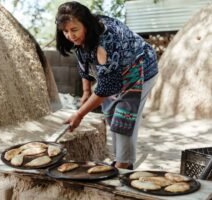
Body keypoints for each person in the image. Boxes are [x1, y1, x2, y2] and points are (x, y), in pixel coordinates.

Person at [55, 1, 158, 169]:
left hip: (140, 68)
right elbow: (84, 62)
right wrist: (87, 91)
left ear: (86, 25)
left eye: (74, 30)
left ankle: (123, 164)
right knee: (110, 114)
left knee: (123, 117)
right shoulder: (84, 37)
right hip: (115, 71)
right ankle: (122, 160)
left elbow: (106, 88)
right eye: (65, 31)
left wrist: (79, 115)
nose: (70, 36)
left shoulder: (105, 43)